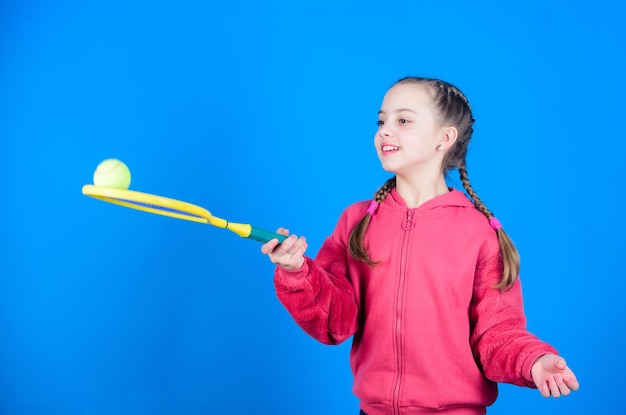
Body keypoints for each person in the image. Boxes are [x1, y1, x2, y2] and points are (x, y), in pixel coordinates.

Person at [260, 76, 579, 415]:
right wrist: (297, 272)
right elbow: (334, 323)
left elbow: (497, 334)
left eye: (403, 120)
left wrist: (535, 360)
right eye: (382, 120)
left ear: (445, 138)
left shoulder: (479, 233)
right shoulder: (356, 222)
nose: (385, 130)